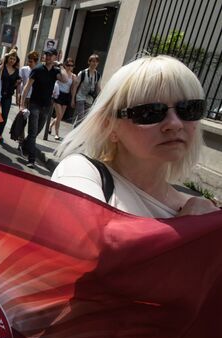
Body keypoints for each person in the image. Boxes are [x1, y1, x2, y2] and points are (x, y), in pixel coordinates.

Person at [52, 55, 219, 218]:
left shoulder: (203, 212)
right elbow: (92, 241)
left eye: (189, 109)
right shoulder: (80, 172)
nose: (175, 124)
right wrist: (190, 229)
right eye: (150, 112)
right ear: (109, 126)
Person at [19, 47, 68, 167]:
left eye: (51, 55)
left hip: (46, 107)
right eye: (46, 54)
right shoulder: (37, 69)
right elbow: (27, 86)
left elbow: (65, 79)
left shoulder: (56, 72)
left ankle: (24, 145)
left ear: (55, 57)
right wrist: (21, 104)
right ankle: (31, 159)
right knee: (32, 132)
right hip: (34, 104)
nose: (48, 57)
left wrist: (61, 66)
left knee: (36, 132)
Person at [0, 50, 21, 143]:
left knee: (4, 115)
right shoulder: (2, 67)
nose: (12, 60)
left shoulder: (17, 71)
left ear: (16, 60)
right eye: (10, 58)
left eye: (14, 59)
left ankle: (0, 134)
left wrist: (17, 83)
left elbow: (16, 85)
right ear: (7, 59)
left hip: (8, 96)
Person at [48, 58, 76, 140]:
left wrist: (72, 99)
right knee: (59, 115)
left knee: (59, 116)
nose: (69, 67)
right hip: (58, 94)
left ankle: (50, 125)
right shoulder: (61, 73)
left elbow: (73, 89)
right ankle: (57, 133)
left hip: (66, 96)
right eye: (68, 65)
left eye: (71, 65)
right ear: (64, 65)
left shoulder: (73, 76)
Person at [72, 54, 101, 126]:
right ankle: (75, 134)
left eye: (96, 62)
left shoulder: (98, 75)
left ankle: (74, 132)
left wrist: (101, 99)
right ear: (89, 62)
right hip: (80, 97)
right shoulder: (82, 73)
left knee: (83, 119)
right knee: (81, 116)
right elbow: (75, 86)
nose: (94, 63)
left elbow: (98, 88)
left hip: (89, 99)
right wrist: (73, 99)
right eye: (93, 61)